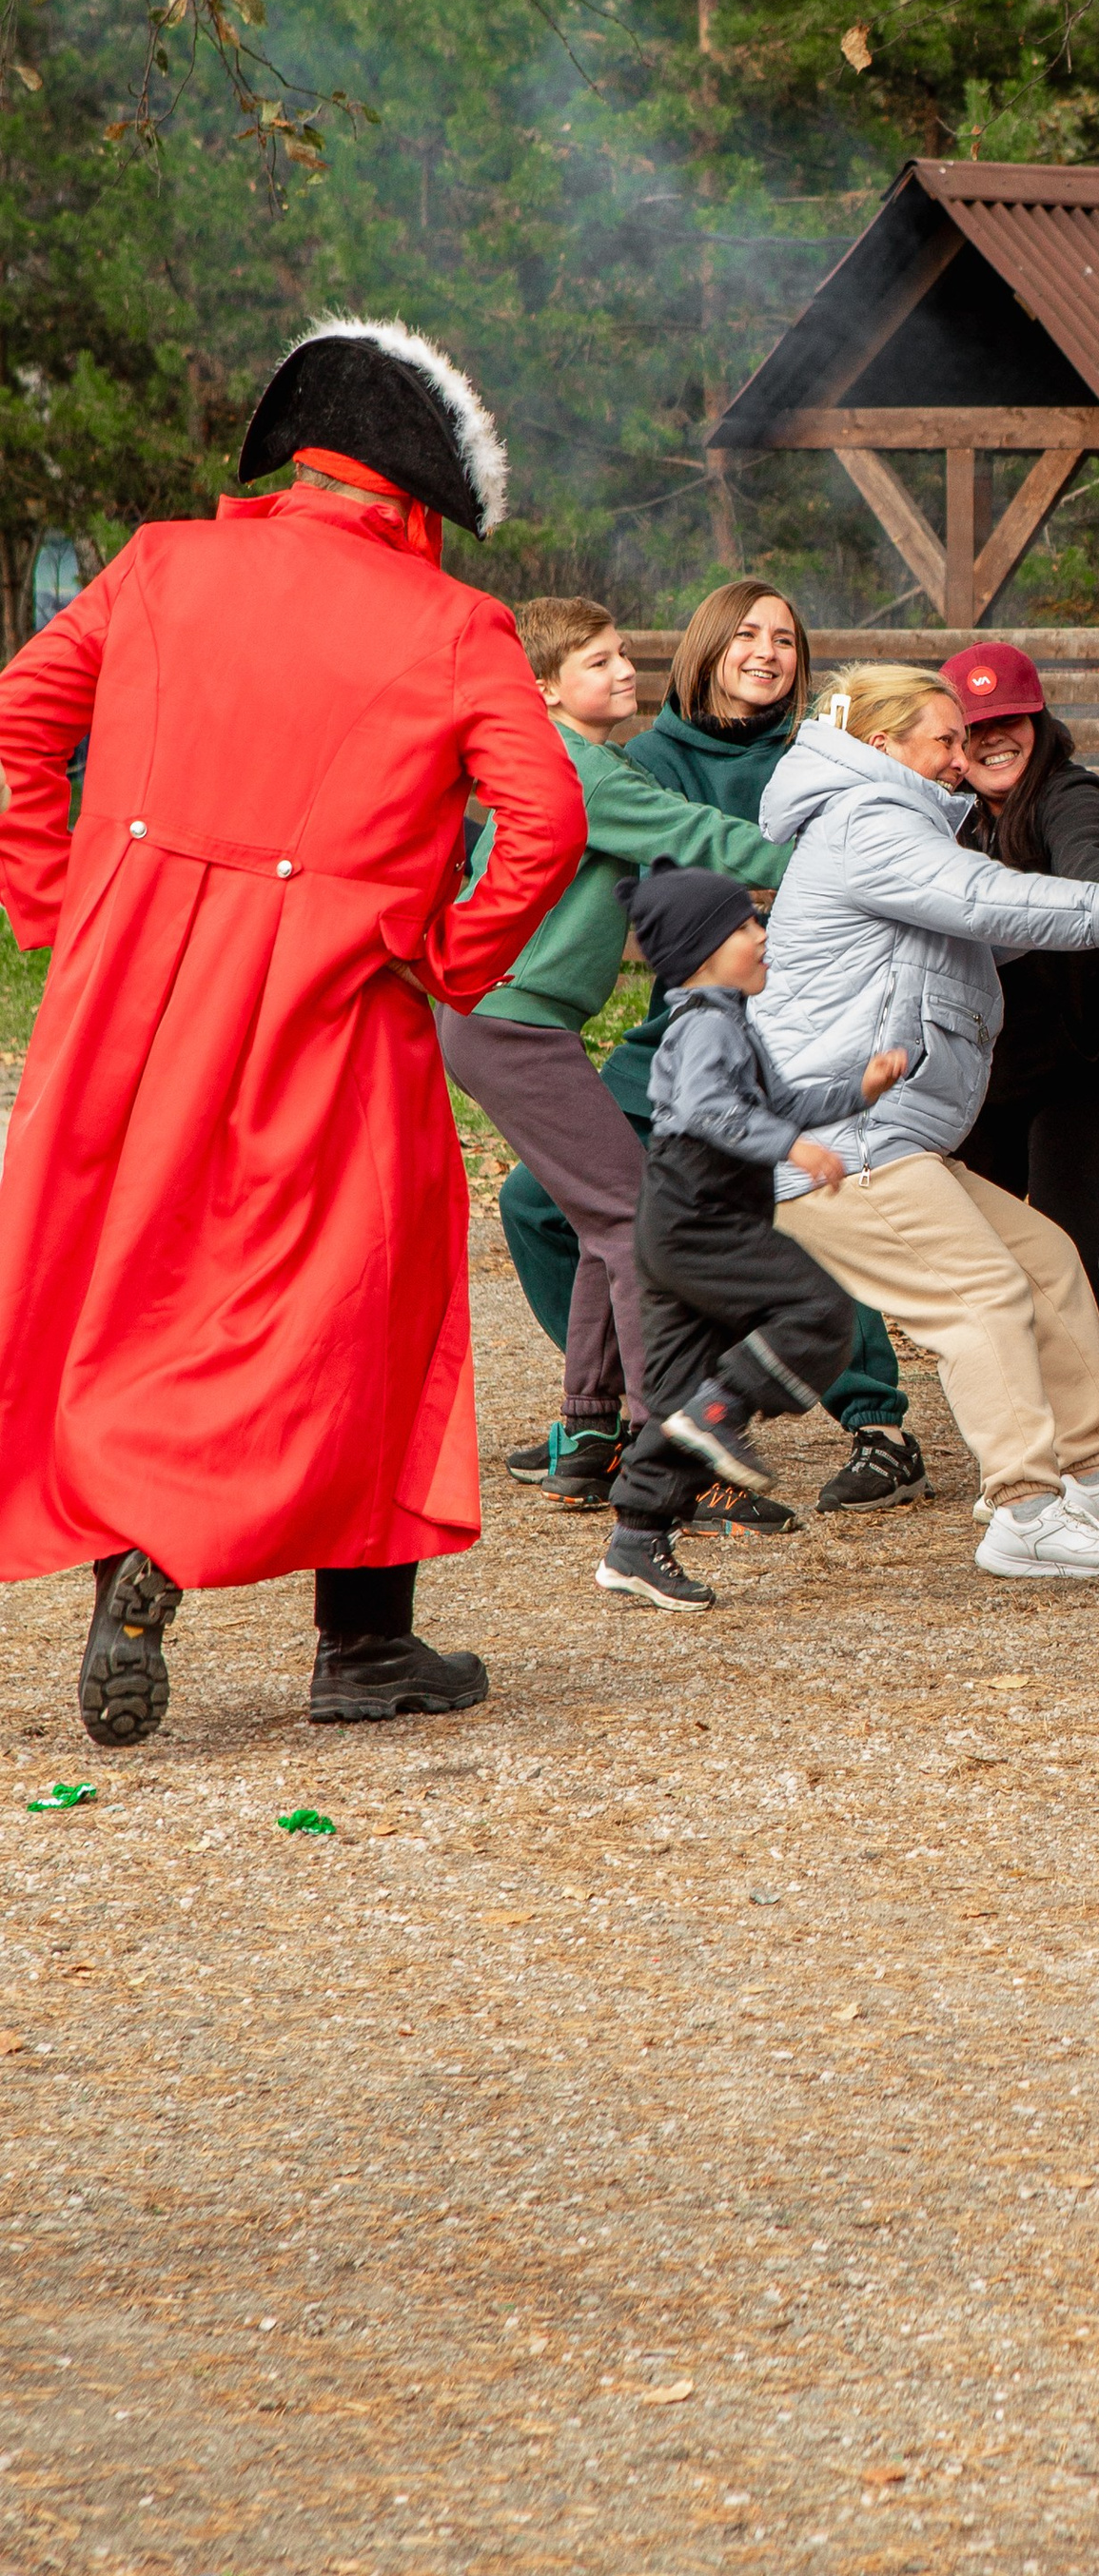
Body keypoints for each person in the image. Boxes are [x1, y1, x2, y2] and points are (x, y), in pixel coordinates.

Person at [0, 320, 587, 1737]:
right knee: (352, 1296)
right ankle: (365, 1646)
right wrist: (452, 954)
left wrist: (60, 899)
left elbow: (19, 715)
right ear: (413, 498)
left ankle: (132, 1554)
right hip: (335, 1005)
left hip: (127, 993)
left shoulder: (154, 566)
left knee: (135, 1269)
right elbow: (547, 819)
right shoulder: (454, 626)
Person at [752, 664, 1099, 1579]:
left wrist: (1095, 912)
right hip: (842, 1147)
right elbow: (984, 898)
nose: (962, 759)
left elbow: (992, 917)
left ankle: (1097, 1474)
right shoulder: (866, 821)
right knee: (982, 1294)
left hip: (892, 1139)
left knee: (1044, 1261)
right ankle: (1025, 1509)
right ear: (883, 747)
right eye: (945, 740)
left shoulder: (897, 829)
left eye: (965, 741)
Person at [497, 576, 928, 1523]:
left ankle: (875, 1421)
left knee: (789, 1190)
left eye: (784, 638)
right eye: (746, 635)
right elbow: (677, 864)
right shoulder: (641, 758)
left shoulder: (826, 752)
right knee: (537, 1202)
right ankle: (628, 1410)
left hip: (809, 1011)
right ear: (706, 649)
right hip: (687, 1020)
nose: (767, 652)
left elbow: (875, 852)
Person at [434, 597, 799, 1517]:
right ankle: (671, 1446)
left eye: (626, 652)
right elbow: (706, 838)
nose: (626, 671)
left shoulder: (563, 761)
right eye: (599, 662)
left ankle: (591, 1427)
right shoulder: (585, 772)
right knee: (639, 1222)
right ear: (546, 688)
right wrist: (830, 861)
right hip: (510, 1018)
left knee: (609, 1217)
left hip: (511, 1016)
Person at [592, 860, 912, 1612]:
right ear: (702, 952)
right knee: (820, 1311)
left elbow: (782, 1100)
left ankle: (637, 1540)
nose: (762, 935)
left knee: (677, 1393)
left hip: (680, 1223)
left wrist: (855, 1092)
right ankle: (724, 1405)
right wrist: (790, 1147)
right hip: (702, 1217)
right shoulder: (706, 1025)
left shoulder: (728, 1021)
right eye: (744, 925)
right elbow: (711, 1109)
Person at [943, 638, 1099, 1446]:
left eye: (1010, 721)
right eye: (973, 727)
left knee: (1072, 1230)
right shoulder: (942, 816)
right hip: (990, 1068)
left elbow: (1094, 863)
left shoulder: (1068, 794)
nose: (994, 740)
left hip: (1090, 1057)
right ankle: (1021, 1420)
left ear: (1038, 722)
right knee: (977, 1240)